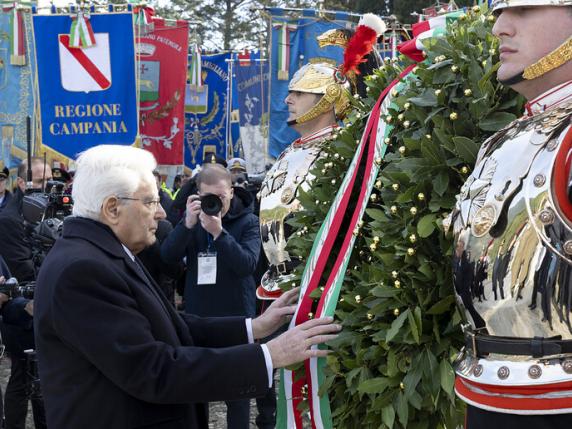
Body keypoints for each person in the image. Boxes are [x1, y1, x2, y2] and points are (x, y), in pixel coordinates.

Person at [33, 144, 341, 429]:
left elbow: (171, 327)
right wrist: (268, 355)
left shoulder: (105, 253)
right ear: (112, 208)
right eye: (151, 201)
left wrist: (254, 327)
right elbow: (154, 370)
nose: (162, 212)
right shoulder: (83, 270)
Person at [447, 1, 572, 427]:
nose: (500, 27)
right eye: (500, 12)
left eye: (522, 9)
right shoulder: (500, 142)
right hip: (487, 387)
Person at [161, 164, 260, 428]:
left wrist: (219, 233)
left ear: (231, 191)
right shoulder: (193, 220)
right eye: (209, 197)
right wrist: (187, 225)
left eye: (222, 196)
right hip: (198, 315)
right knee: (197, 388)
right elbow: (167, 257)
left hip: (236, 314)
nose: (216, 202)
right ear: (198, 194)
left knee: (238, 392)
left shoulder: (248, 221)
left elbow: (247, 265)